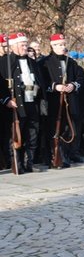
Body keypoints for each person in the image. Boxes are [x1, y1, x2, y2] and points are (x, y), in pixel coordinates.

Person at [0, 32, 48, 174]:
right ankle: (17, 163)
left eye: (26, 44)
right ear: (14, 46)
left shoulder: (32, 62)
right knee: (16, 135)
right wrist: (6, 99)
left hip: (32, 102)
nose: (25, 47)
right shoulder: (4, 62)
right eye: (22, 45)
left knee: (32, 133)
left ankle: (30, 162)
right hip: (15, 105)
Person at [39, 33, 84, 168]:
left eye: (64, 44)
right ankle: (52, 157)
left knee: (68, 130)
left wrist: (73, 85)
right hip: (53, 102)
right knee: (53, 129)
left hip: (69, 102)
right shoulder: (44, 63)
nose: (63, 47)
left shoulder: (71, 62)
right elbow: (42, 82)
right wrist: (55, 87)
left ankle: (65, 155)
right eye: (60, 45)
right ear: (53, 46)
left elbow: (80, 78)